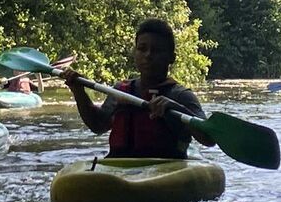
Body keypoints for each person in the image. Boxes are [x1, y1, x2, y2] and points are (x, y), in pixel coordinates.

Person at [63, 18, 214, 159]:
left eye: (156, 50)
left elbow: (209, 139)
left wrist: (177, 109)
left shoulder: (181, 96)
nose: (148, 55)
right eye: (142, 49)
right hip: (120, 168)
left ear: (171, 58)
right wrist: (78, 91)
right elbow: (97, 125)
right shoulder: (120, 90)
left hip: (166, 169)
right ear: (135, 53)